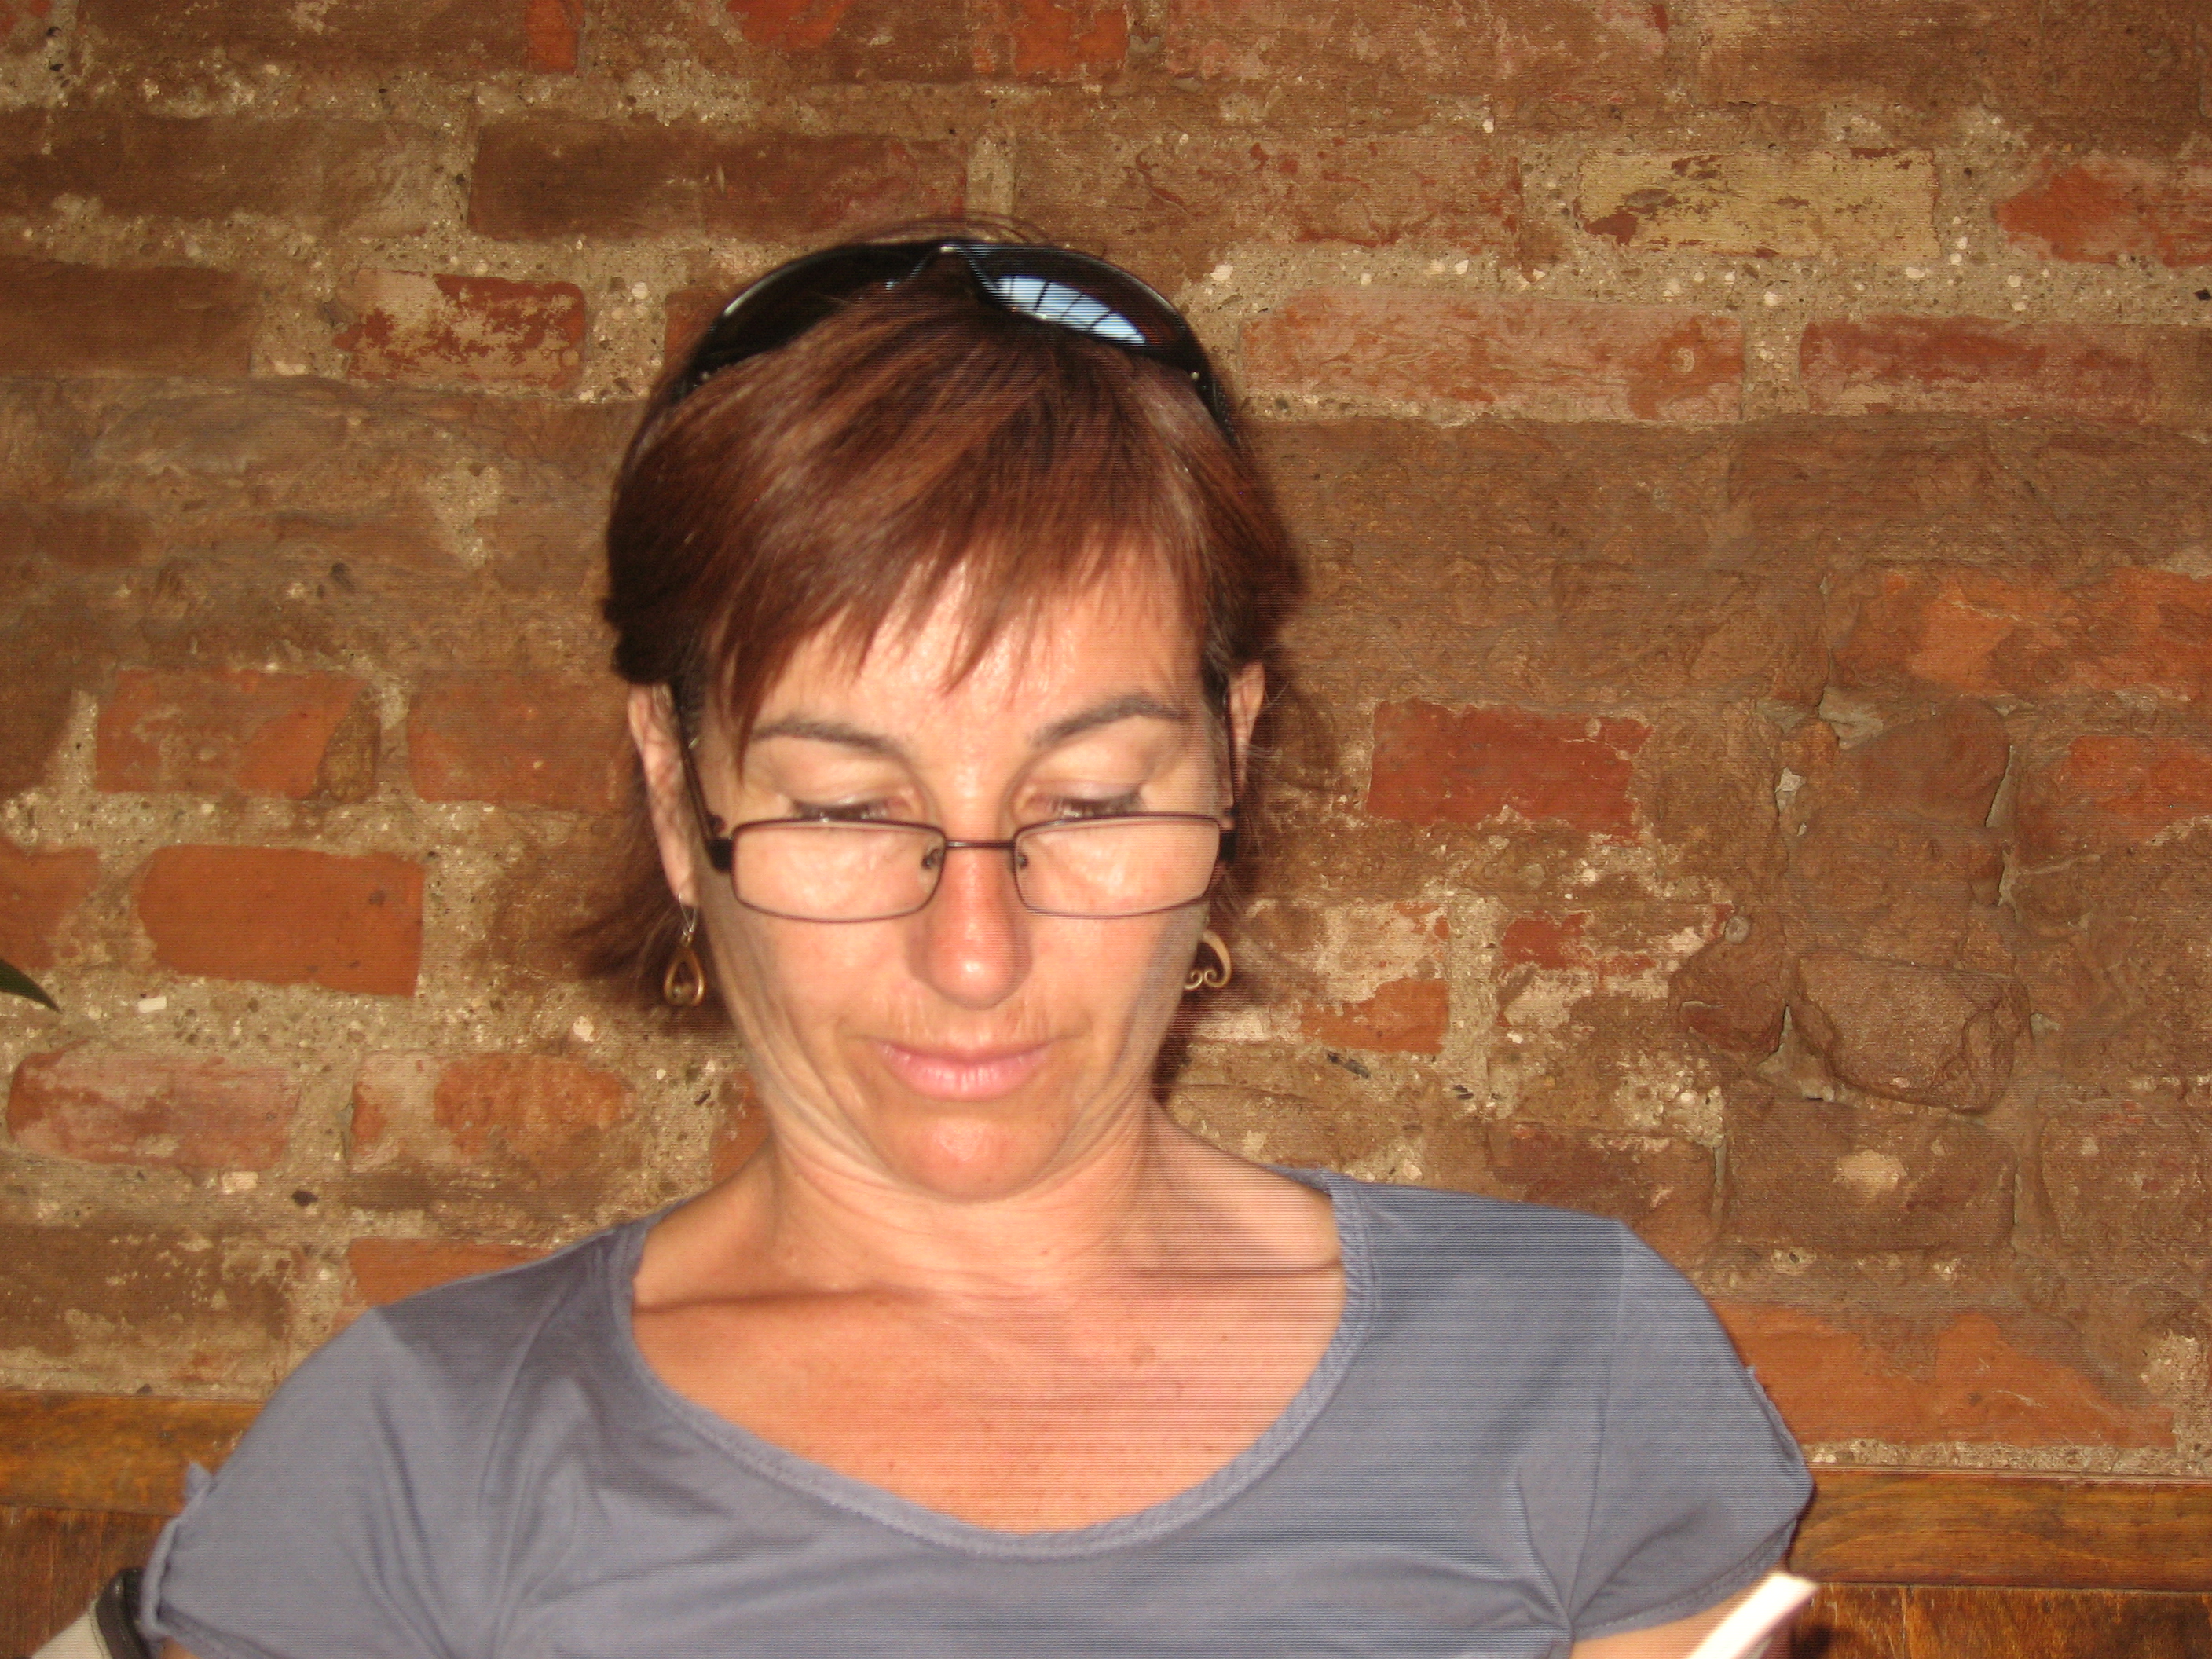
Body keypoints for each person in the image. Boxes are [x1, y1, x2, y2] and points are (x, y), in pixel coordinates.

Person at [141, 231, 1811, 1658]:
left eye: (1087, 802)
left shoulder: (1570, 1366)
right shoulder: (418, 1454)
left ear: (1230, 755)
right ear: (673, 787)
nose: (973, 953)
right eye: (846, 810)